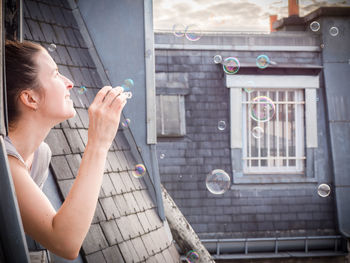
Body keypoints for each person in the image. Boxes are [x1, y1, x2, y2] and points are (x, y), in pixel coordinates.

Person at [5, 40, 127, 260]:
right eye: (56, 74)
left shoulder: (40, 154)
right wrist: (98, 142)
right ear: (30, 98)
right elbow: (64, 242)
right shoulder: (2, 160)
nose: (69, 83)